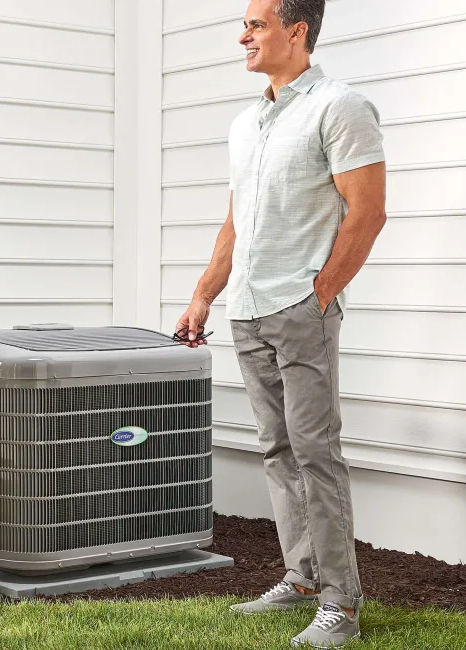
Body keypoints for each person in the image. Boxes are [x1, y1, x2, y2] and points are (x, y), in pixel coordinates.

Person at [175, 0, 386, 647]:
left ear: (297, 31)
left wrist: (318, 294)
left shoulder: (340, 107)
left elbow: (367, 213)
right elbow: (237, 222)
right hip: (247, 307)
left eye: (256, 24)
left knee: (316, 452)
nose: (243, 36)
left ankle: (341, 605)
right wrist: (204, 293)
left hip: (300, 311)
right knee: (278, 449)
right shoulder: (247, 123)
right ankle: (300, 577)